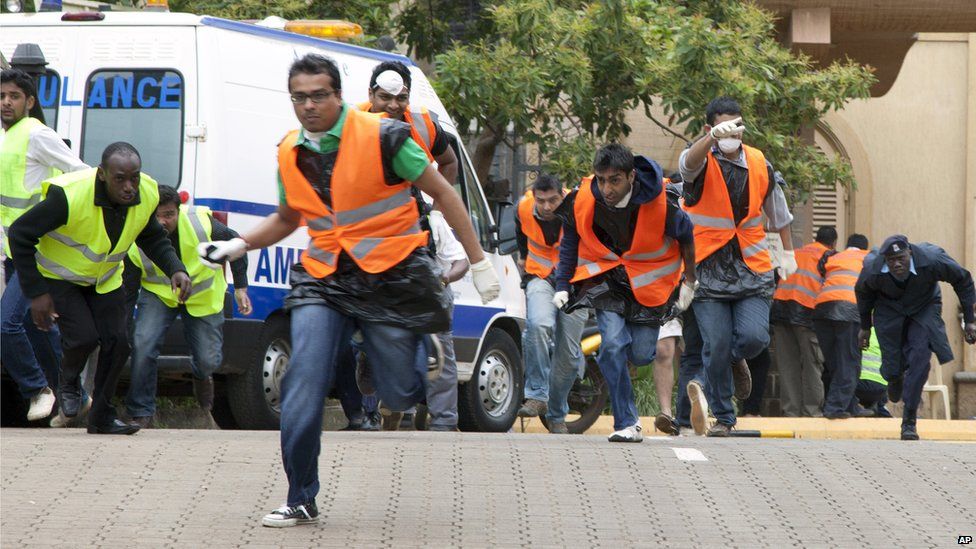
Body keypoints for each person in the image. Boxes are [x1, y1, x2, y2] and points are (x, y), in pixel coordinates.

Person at [198, 54, 499, 527]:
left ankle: (421, 350)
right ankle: (300, 495)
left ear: (338, 95)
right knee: (303, 381)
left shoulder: (387, 138)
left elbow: (443, 192)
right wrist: (238, 244)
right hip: (325, 277)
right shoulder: (289, 151)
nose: (309, 105)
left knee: (400, 393)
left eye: (319, 95)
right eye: (300, 97)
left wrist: (478, 261)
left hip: (390, 273)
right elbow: (290, 217)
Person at [9, 142, 190, 434]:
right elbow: (20, 234)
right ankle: (68, 384)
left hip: (104, 279)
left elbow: (153, 237)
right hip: (59, 276)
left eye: (135, 177)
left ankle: (102, 418)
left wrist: (176, 269)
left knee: (118, 343)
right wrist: (35, 292)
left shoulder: (147, 194)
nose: (130, 186)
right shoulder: (69, 196)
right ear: (102, 174)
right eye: (120, 178)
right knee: (83, 337)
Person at [554, 143, 696, 443]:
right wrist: (562, 284)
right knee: (612, 346)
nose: (606, 188)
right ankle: (627, 422)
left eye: (614, 180)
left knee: (642, 354)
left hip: (648, 286)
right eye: (601, 179)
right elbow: (570, 240)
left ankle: (625, 376)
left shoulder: (660, 202)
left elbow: (686, 237)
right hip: (607, 283)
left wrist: (689, 282)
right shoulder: (585, 199)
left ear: (631, 177)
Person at [678, 96, 796, 436]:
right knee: (714, 344)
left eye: (736, 127)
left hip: (752, 266)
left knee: (754, 338)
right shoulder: (701, 160)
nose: (733, 133)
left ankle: (729, 361)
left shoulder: (760, 162)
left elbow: (779, 213)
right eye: (724, 127)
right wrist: (712, 139)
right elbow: (687, 164)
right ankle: (725, 418)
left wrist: (787, 253)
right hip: (709, 271)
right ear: (710, 128)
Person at [122, 185, 251, 428]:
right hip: (159, 295)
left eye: (169, 215)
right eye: (157, 215)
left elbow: (237, 244)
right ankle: (140, 411)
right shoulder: (136, 234)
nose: (162, 221)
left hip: (202, 296)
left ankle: (202, 378)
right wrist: (124, 329)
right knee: (143, 343)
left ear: (179, 211)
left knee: (206, 360)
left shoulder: (202, 223)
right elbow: (128, 294)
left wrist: (241, 287)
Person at [1, 68, 89, 423]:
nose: (6, 102)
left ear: (30, 102)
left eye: (14, 97)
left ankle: (37, 390)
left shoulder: (38, 135)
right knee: (38, 327)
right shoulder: (5, 136)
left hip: (37, 250)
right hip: (12, 250)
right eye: (2, 96)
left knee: (5, 325)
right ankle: (77, 396)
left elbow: (81, 173)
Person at [855, 235, 976, 440]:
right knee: (893, 367)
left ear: (909, 252)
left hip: (924, 306)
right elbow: (863, 294)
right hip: (888, 308)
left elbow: (963, 279)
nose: (896, 264)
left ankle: (909, 420)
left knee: (920, 356)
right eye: (891, 260)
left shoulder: (931, 259)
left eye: (901, 258)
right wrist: (865, 327)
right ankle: (894, 377)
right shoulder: (873, 269)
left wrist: (970, 320)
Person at [385, 193, 469, 432]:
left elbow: (461, 262)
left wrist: (445, 278)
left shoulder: (434, 221)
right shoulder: (381, 221)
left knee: (439, 353)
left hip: (434, 295)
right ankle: (403, 414)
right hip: (398, 296)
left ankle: (444, 420)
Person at [514, 173, 587, 433]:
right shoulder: (523, 207)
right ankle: (536, 395)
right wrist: (523, 258)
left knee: (568, 354)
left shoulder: (579, 207)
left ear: (563, 195)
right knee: (538, 325)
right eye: (541, 200)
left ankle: (556, 414)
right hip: (540, 277)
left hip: (576, 282)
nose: (546, 207)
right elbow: (521, 234)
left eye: (553, 200)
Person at [771, 225, 835, 417]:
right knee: (812, 364)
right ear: (833, 243)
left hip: (780, 309)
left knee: (787, 365)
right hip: (806, 312)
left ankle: (791, 413)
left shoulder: (797, 252)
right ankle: (812, 412)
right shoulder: (830, 256)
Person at [359, 61, 458, 184]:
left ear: (408, 97)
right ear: (371, 94)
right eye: (385, 97)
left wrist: (439, 202)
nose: (393, 106)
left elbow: (449, 162)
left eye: (401, 98)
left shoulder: (423, 125)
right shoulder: (351, 123)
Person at [812, 233, 872, 419]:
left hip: (822, 310)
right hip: (849, 310)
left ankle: (851, 405)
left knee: (836, 363)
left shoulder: (834, 256)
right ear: (864, 247)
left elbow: (822, 270)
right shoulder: (868, 258)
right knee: (849, 363)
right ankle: (834, 408)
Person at [651, 318, 682, 434]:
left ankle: (689, 415)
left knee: (690, 356)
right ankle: (666, 413)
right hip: (664, 304)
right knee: (663, 350)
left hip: (695, 304)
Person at [855, 328, 890, 417]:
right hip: (882, 388)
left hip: (858, 387)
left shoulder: (856, 332)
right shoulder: (883, 333)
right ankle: (881, 409)